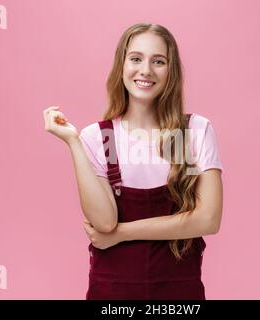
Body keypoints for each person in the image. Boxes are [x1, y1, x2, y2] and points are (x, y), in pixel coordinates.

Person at [43, 23, 223, 300]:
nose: (146, 70)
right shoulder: (100, 137)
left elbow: (208, 219)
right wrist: (73, 143)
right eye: (136, 58)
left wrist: (121, 234)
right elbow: (104, 223)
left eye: (158, 61)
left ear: (171, 71)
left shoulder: (191, 132)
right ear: (121, 65)